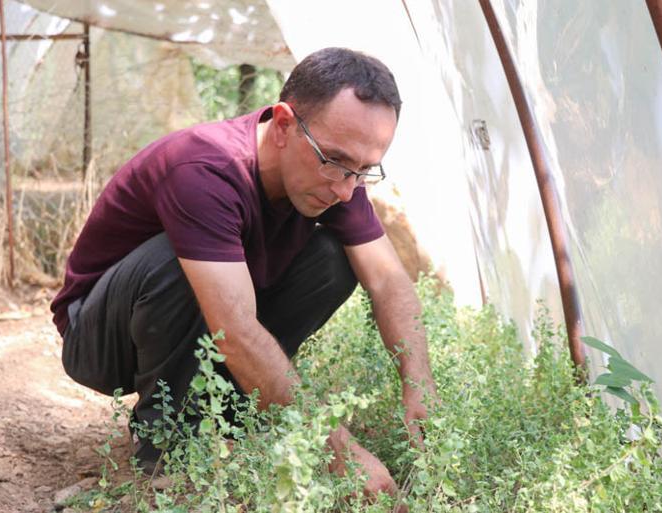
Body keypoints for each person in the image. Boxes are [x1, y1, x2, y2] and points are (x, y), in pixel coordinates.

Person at [51, 47, 437, 497]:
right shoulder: (205, 168)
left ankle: (236, 410)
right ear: (284, 124)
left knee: (334, 259)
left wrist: (420, 387)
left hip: (211, 320)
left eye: (363, 170)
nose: (345, 188)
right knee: (182, 262)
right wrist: (339, 451)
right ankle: (167, 444)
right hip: (103, 340)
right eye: (333, 160)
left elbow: (389, 280)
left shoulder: (335, 181)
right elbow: (233, 329)